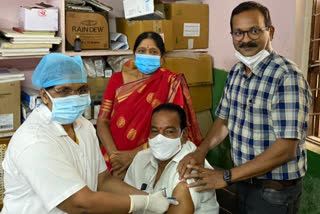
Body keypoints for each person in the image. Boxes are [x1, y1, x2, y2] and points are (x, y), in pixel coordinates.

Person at [177, 2, 312, 214]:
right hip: (243, 183)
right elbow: (223, 121)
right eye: (238, 33)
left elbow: (286, 149)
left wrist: (225, 176)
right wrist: (200, 151)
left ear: (271, 32)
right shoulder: (237, 73)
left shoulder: (286, 77)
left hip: (273, 194)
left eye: (254, 31)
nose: (246, 39)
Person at [1, 53, 176, 214]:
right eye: (64, 90)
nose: (74, 96)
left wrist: (149, 197)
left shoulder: (83, 126)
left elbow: (103, 180)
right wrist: (143, 204)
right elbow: (79, 203)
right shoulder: (35, 141)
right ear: (45, 95)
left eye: (81, 90)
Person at [97, 31, 202, 179]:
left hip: (150, 157)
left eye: (153, 52)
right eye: (141, 51)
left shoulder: (170, 82)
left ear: (162, 57)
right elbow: (102, 120)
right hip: (112, 156)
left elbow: (172, 130)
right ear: (134, 55)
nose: (147, 55)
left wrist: (132, 156)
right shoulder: (117, 79)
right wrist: (115, 157)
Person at [124, 103, 219, 214]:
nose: (159, 138)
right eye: (154, 131)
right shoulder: (141, 158)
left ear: (184, 135)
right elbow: (126, 201)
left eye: (169, 131)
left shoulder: (190, 166)